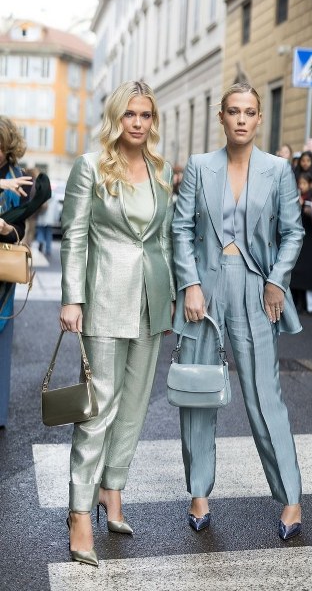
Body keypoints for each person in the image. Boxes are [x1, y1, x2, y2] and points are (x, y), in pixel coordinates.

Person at [172, 82, 304, 540]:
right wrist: (189, 284)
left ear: (259, 118)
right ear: (222, 117)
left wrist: (276, 280)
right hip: (204, 290)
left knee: (265, 396)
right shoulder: (199, 166)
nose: (242, 119)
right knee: (197, 392)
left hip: (256, 289)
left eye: (249, 111)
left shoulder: (278, 170)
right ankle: (199, 494)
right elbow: (180, 229)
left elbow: (293, 233)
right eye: (233, 111)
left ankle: (290, 498)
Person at [59, 81, 175, 566]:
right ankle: (79, 511)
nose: (138, 123)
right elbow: (74, 234)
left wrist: (168, 297)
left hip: (150, 300)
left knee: (134, 406)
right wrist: (72, 298)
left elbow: (163, 239)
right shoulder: (90, 166)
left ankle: (113, 490)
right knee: (98, 408)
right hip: (104, 297)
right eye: (130, 114)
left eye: (145, 115)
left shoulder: (159, 169)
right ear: (116, 117)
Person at [0, 115, 33, 429]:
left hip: (2, 273)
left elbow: (20, 230)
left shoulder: (19, 178)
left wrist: (6, 229)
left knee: (1, 340)